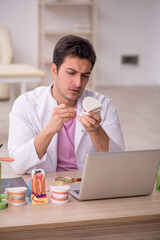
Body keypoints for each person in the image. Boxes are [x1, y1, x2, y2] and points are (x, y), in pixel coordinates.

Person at [8, 35, 125, 174]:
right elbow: (18, 165)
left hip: (87, 185)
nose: (78, 83)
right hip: (46, 187)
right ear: (54, 70)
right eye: (71, 73)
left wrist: (96, 131)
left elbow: (119, 163)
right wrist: (49, 130)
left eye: (85, 76)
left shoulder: (103, 105)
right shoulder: (26, 104)